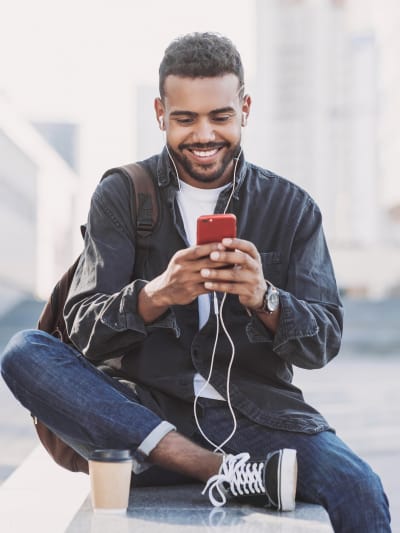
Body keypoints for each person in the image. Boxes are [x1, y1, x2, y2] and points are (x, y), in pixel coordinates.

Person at [1, 32, 390, 531]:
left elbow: (324, 343)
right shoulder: (122, 194)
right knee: (23, 352)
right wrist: (157, 294)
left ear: (244, 108)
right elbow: (80, 330)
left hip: (260, 421)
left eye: (220, 117)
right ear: (161, 114)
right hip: (143, 421)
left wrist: (264, 298)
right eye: (185, 119)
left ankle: (241, 470)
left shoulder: (291, 208)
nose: (204, 135)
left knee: (359, 486)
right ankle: (223, 473)